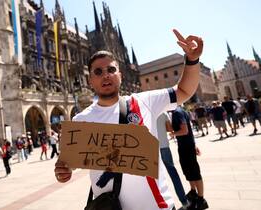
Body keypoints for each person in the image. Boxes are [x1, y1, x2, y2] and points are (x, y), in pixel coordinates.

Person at [54, 29, 203, 210]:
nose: (106, 75)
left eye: (111, 69)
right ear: (90, 80)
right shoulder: (80, 121)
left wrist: (192, 60)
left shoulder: (144, 102)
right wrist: (63, 171)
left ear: (120, 75)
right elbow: (68, 165)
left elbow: (184, 91)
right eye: (98, 72)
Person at [171, 106, 208, 210]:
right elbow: (189, 130)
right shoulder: (181, 111)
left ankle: (201, 200)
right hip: (186, 146)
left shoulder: (177, 112)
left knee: (194, 172)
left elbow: (185, 131)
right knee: (188, 171)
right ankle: (193, 193)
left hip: (186, 147)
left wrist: (173, 133)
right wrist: (194, 145)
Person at [157, 112, 190, 209]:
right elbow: (169, 129)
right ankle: (184, 201)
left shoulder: (143, 110)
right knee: (173, 174)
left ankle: (161, 205)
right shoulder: (163, 113)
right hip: (164, 146)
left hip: (151, 148)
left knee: (155, 178)